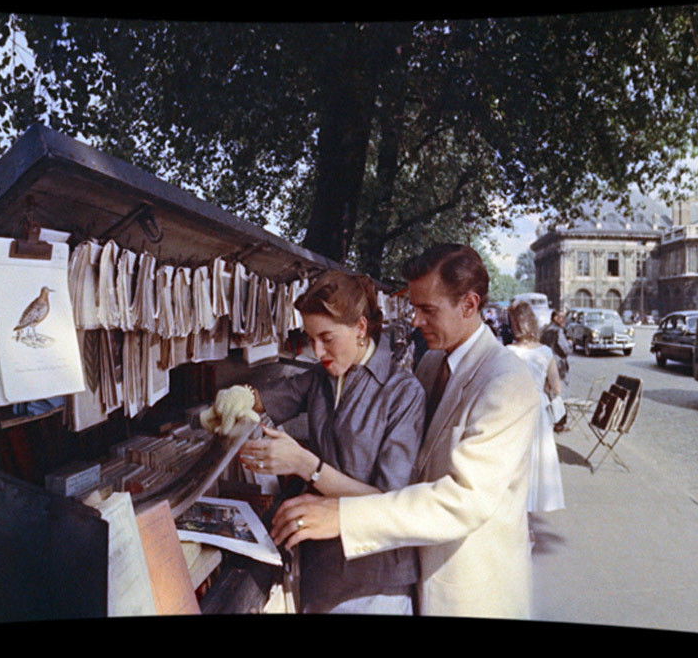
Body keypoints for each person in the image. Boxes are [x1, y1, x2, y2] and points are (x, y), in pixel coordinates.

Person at [270, 244, 539, 618]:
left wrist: (343, 515)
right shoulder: (432, 363)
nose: (415, 320)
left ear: (469, 304)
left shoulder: (506, 382)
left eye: (428, 309)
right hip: (416, 572)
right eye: (414, 307)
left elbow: (463, 501)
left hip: (469, 589)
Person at [237, 270, 426, 614]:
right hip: (323, 567)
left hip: (373, 578)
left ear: (360, 328)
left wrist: (305, 465)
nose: (317, 351)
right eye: (311, 339)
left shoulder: (402, 392)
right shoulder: (323, 376)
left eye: (326, 338)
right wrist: (241, 397)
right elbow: (270, 396)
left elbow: (391, 502)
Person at [508, 301, 566, 517]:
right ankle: (532, 509)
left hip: (514, 407)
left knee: (515, 457)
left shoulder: (507, 351)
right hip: (538, 407)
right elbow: (556, 387)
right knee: (537, 457)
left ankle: (516, 506)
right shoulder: (545, 352)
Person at [540, 309, 571, 431]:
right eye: (561, 317)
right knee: (558, 395)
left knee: (549, 394)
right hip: (558, 366)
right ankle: (559, 423)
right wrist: (570, 344)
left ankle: (549, 420)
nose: (564, 320)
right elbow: (565, 349)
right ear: (555, 318)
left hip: (545, 364)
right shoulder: (557, 331)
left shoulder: (545, 329)